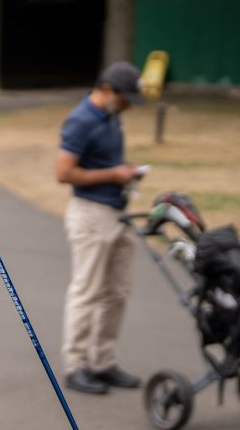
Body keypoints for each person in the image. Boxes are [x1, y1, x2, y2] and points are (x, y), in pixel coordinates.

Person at [55, 61, 146, 394]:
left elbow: (104, 164)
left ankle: (102, 361)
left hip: (117, 212)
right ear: (107, 89)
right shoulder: (80, 121)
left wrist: (124, 170)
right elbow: (63, 173)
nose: (128, 106)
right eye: (125, 99)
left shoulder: (110, 117)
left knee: (116, 292)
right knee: (88, 290)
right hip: (91, 214)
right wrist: (114, 175)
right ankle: (76, 365)